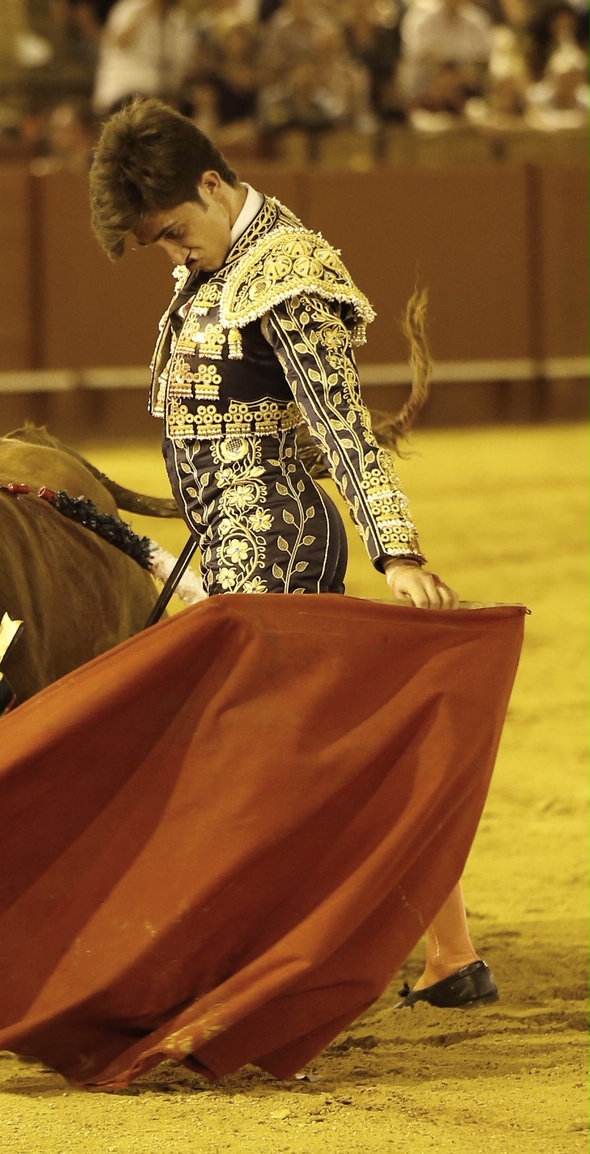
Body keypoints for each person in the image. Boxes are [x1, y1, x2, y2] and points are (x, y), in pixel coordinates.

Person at [88, 96, 497, 1008]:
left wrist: (396, 552)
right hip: (235, 541)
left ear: (212, 183)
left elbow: (343, 431)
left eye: (174, 231)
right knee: (335, 758)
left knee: (255, 764)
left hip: (274, 548)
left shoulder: (285, 271)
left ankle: (259, 966)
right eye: (159, 242)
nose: (172, 250)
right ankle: (450, 954)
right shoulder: (216, 266)